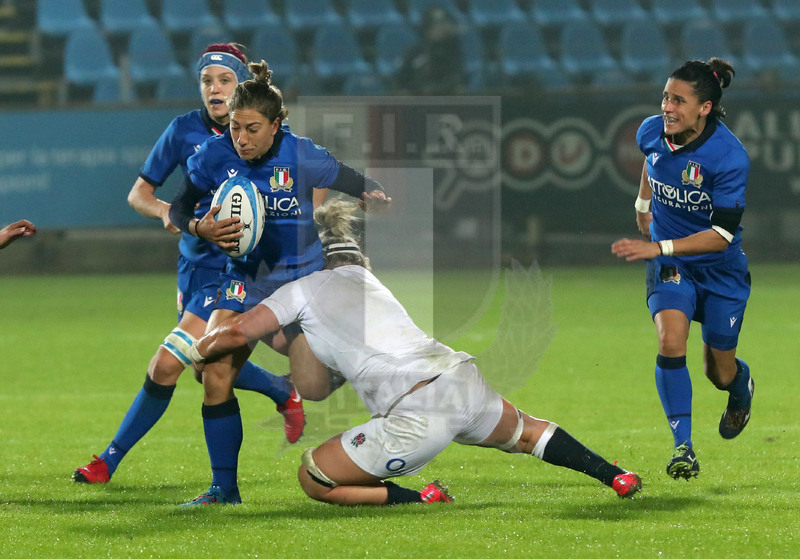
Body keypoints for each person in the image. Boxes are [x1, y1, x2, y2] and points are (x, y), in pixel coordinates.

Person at [188, 199, 642, 506]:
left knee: (314, 476)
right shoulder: (367, 282)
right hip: (457, 376)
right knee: (526, 433)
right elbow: (314, 374)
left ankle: (418, 497)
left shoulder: (300, 290)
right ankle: (613, 476)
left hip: (415, 410)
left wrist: (199, 349)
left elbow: (237, 333)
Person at [72, 44, 307, 486]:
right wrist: (172, 215)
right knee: (206, 367)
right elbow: (139, 194)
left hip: (238, 275)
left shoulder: (269, 136)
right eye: (207, 81)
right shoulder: (183, 131)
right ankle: (281, 389)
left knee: (168, 363)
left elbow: (300, 194)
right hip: (195, 268)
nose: (214, 89)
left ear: (243, 88)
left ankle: (109, 460)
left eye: (224, 80)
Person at [168, 62, 391, 505]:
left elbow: (360, 183)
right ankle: (223, 490)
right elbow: (178, 209)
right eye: (234, 128)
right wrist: (200, 228)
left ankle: (332, 371)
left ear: (275, 126)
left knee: (312, 387)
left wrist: (374, 196)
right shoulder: (215, 156)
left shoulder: (303, 154)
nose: (241, 138)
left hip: (301, 285)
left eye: (252, 129)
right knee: (212, 372)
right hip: (244, 281)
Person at [611, 58, 754, 481]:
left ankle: (739, 384)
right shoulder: (651, 130)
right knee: (671, 340)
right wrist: (642, 204)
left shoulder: (729, 157)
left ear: (704, 108)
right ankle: (683, 448)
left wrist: (657, 243)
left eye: (678, 100)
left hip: (720, 269)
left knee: (718, 370)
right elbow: (652, 163)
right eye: (665, 97)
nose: (667, 107)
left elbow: (722, 235)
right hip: (672, 265)